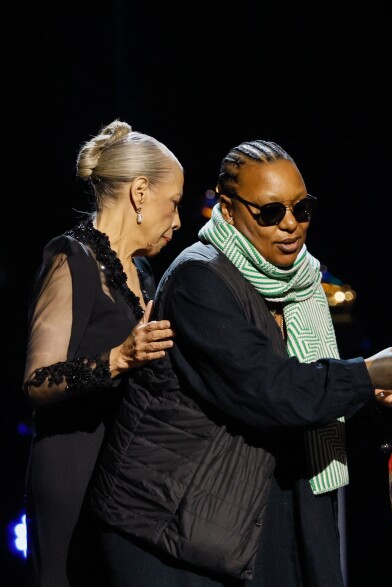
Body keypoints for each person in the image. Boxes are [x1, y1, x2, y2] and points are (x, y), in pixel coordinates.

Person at [89, 139, 392, 586]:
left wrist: (373, 393)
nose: (291, 225)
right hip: (173, 529)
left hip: (254, 513)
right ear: (228, 208)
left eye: (302, 208)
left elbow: (307, 402)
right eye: (270, 211)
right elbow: (270, 390)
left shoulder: (300, 286)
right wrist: (364, 374)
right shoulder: (197, 280)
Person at [21, 119, 183, 587]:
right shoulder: (71, 258)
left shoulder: (144, 273)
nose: (177, 221)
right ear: (139, 193)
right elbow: (37, 381)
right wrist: (118, 358)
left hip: (124, 476)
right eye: (172, 204)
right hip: (74, 469)